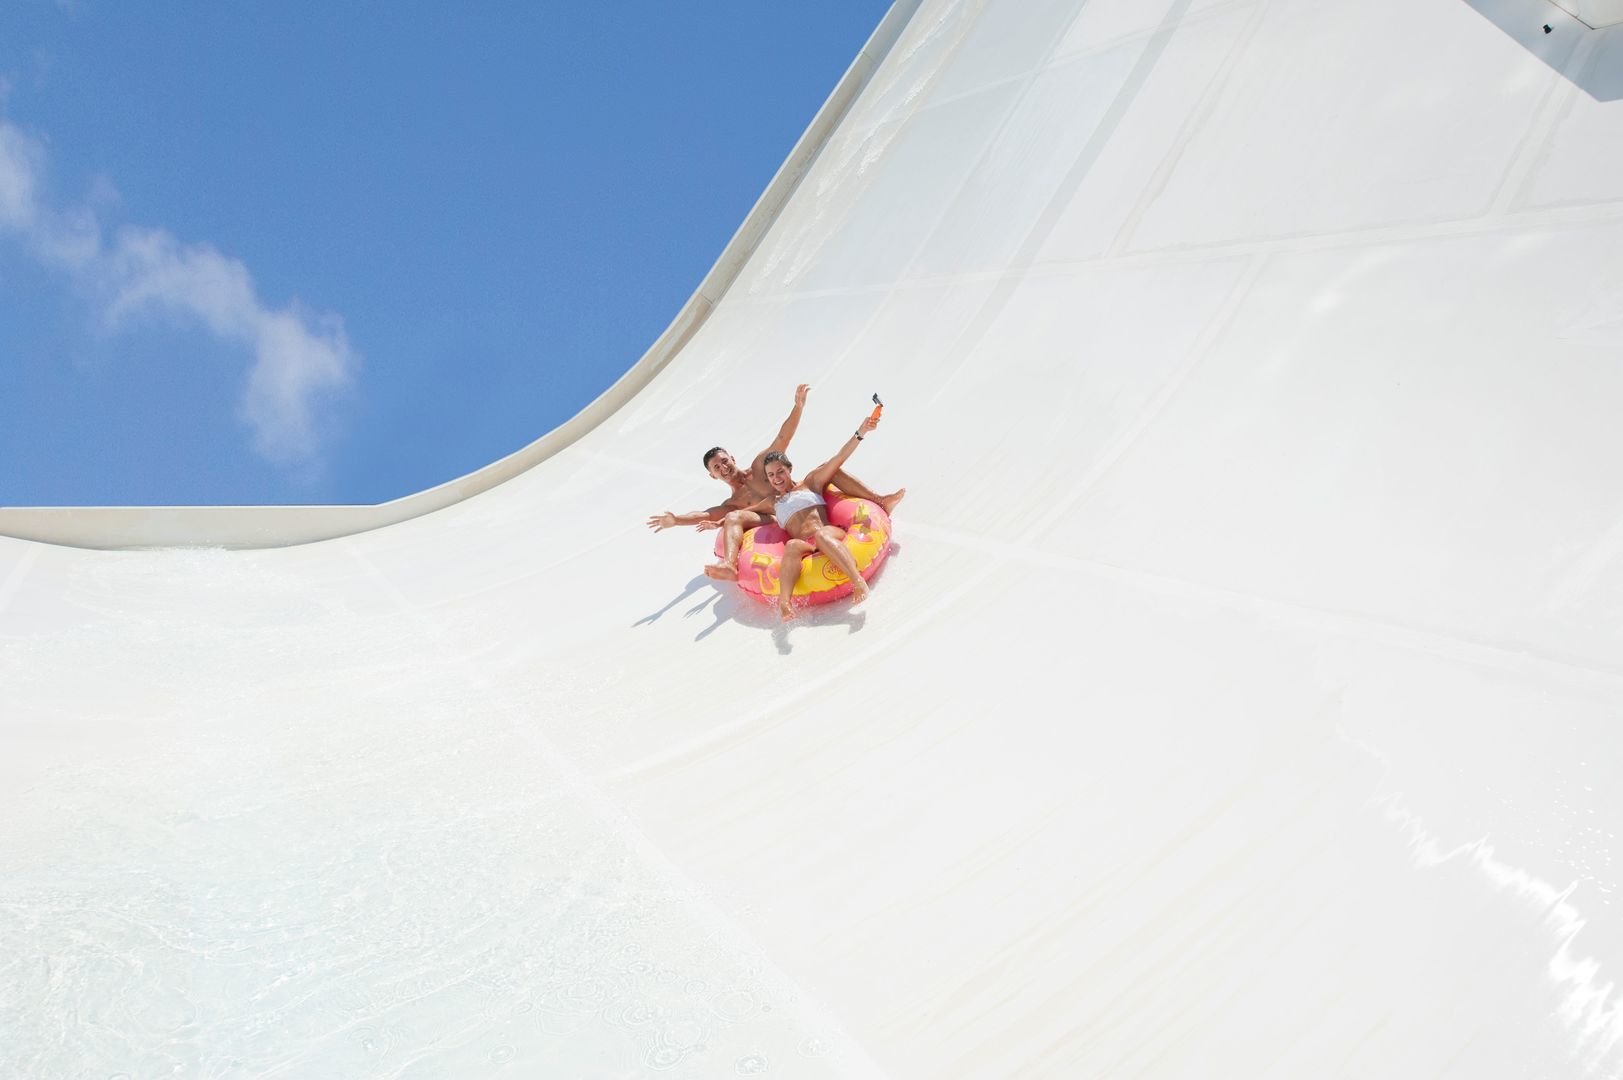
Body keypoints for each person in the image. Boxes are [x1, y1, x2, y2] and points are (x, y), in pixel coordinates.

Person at [645, 385, 904, 579]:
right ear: (712, 475)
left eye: (724, 461)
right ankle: (730, 565)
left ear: (732, 458)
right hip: (773, 516)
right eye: (716, 468)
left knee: (828, 468)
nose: (723, 467)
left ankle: (880, 500)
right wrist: (676, 520)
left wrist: (798, 407)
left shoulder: (760, 465)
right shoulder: (733, 503)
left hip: (798, 502)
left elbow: (783, 437)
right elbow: (705, 514)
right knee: (734, 517)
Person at [732, 410, 883, 620]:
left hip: (827, 533)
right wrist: (719, 522)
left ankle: (857, 581)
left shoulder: (810, 484)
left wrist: (861, 432)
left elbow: (838, 458)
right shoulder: (772, 503)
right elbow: (742, 514)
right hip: (807, 546)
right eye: (771, 475)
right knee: (793, 545)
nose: (776, 478)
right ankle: (785, 604)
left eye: (780, 472)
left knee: (821, 535)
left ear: (789, 469)